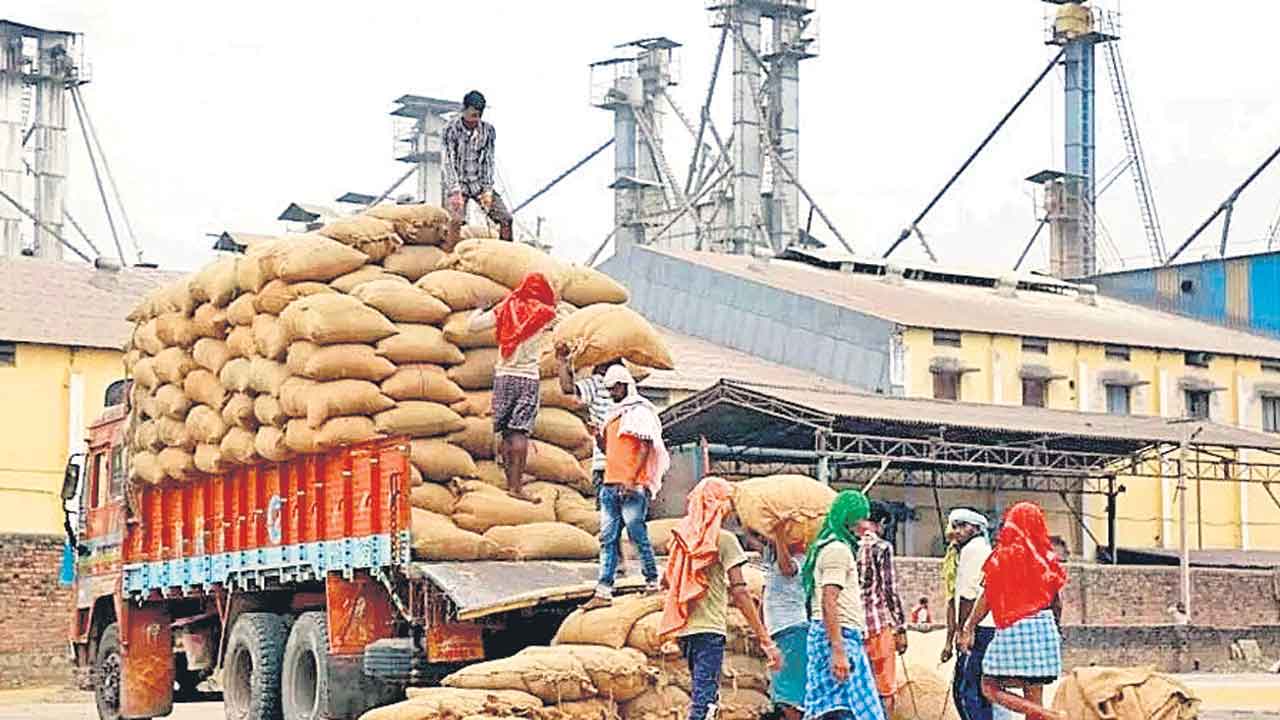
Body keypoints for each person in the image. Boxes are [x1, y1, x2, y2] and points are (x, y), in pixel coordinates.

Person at [659, 477, 782, 720]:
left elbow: (668, 581)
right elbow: (740, 591)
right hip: (709, 631)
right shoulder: (723, 540)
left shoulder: (681, 538)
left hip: (685, 632)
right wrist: (764, 638)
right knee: (704, 705)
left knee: (705, 697)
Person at [958, 502, 1068, 720]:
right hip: (1045, 625)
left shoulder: (1003, 556)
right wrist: (1055, 628)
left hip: (1016, 627)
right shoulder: (1046, 558)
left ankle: (1052, 715)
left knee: (988, 686)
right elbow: (1057, 602)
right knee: (1033, 693)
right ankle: (1044, 713)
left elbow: (987, 597)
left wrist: (969, 627)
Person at [466, 272, 561, 502]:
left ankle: (511, 483)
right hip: (527, 378)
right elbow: (567, 327)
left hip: (504, 377)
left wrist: (480, 308)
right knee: (520, 432)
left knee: (506, 432)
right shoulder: (546, 314)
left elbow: (472, 326)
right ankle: (517, 487)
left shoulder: (506, 307)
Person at [580, 365, 666, 609]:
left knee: (637, 535)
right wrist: (597, 435)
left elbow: (645, 447)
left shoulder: (640, 412)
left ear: (625, 385)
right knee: (608, 538)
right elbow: (609, 450)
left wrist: (631, 479)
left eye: (615, 388)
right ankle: (603, 590)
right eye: (608, 389)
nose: (611, 393)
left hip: (631, 487)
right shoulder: (613, 416)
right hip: (610, 483)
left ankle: (652, 582)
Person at [802, 490, 886, 720]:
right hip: (837, 637)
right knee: (847, 711)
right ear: (849, 520)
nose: (867, 526)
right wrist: (838, 650)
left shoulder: (833, 547)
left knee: (835, 708)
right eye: (863, 519)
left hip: (837, 636)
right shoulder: (836, 550)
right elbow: (829, 600)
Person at [941, 508, 995, 720]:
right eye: (955, 526)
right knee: (973, 691)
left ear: (977, 529)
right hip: (979, 627)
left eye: (964, 526)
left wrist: (964, 631)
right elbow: (954, 599)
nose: (958, 531)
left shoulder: (974, 550)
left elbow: (967, 597)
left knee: (967, 692)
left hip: (978, 629)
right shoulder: (966, 551)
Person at [856, 503, 907, 717]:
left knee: (857, 689)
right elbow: (889, 590)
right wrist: (901, 627)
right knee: (884, 690)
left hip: (849, 628)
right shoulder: (881, 547)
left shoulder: (846, 543)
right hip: (875, 626)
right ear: (882, 523)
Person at [442, 90, 513, 241]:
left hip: (479, 184)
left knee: (505, 219)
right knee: (454, 221)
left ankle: (506, 253)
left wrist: (487, 190)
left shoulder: (488, 131)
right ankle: (450, 257)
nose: (475, 119)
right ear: (464, 110)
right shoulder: (450, 129)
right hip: (459, 184)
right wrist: (454, 191)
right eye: (472, 115)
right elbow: (448, 161)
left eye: (479, 116)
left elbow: (488, 160)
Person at [554, 345, 621, 500]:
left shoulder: (597, 383)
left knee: (608, 515)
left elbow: (567, 388)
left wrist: (563, 362)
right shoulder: (629, 387)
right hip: (627, 464)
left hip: (605, 465)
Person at [760, 529, 809, 720]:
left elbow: (787, 568)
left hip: (793, 629)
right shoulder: (773, 561)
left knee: (790, 699)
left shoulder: (803, 559)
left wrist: (779, 535)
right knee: (781, 694)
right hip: (780, 632)